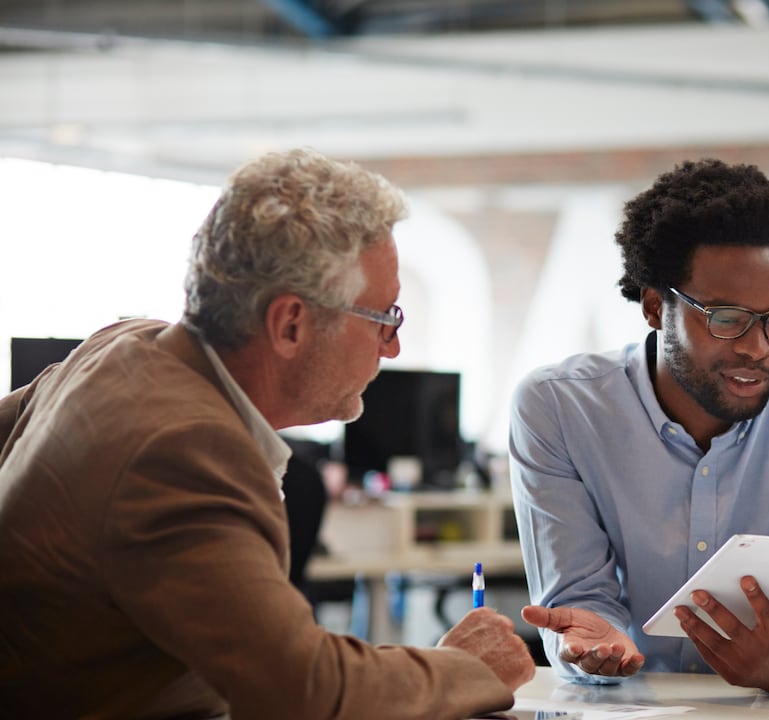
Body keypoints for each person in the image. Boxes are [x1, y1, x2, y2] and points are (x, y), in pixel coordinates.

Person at [0, 148, 535, 719]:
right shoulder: (184, 452)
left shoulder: (121, 347)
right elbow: (306, 692)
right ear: (290, 325)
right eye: (385, 318)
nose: (393, 347)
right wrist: (466, 670)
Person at [508, 158, 769, 697]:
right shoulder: (558, 408)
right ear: (653, 306)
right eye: (726, 319)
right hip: (623, 708)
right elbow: (578, 600)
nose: (756, 348)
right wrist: (594, 648)